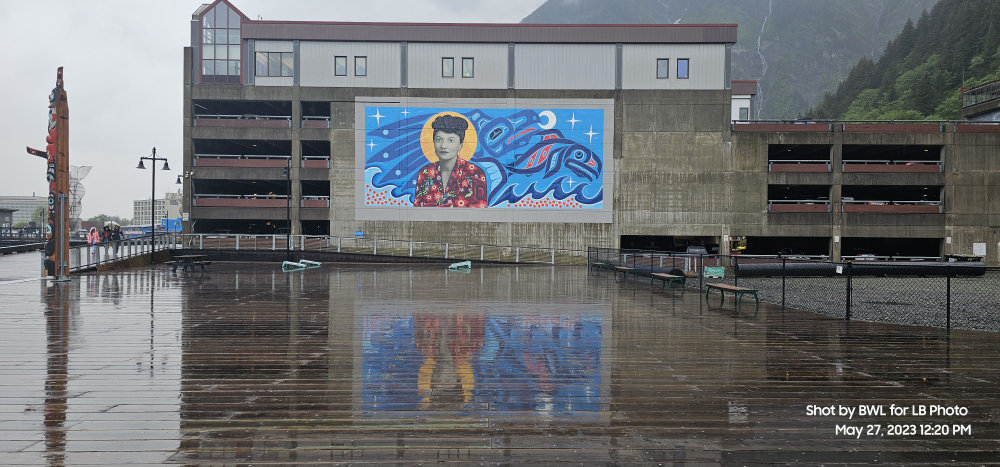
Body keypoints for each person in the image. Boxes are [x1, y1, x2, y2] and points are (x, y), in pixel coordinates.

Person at [412, 114, 488, 207]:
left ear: (460, 145)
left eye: (450, 140)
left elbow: (479, 213)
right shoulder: (424, 173)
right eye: (439, 140)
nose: (443, 146)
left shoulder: (475, 174)